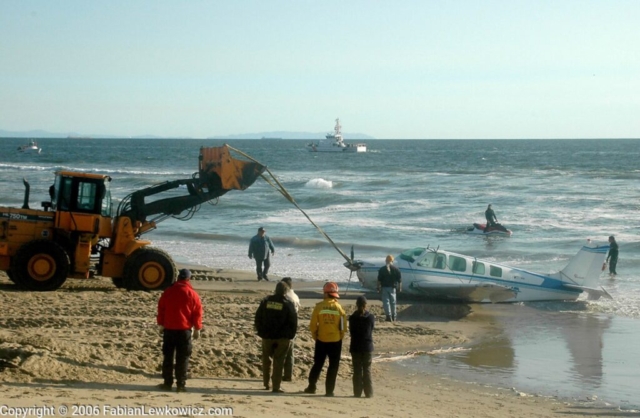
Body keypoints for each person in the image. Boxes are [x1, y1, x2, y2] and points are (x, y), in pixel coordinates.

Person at [156, 268, 203, 393]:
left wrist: (161, 324)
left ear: (178, 278)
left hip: (169, 329)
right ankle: (180, 384)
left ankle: (167, 383)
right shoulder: (192, 294)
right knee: (183, 358)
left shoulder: (168, 291)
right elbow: (197, 313)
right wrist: (197, 328)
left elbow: (161, 308)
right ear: (188, 279)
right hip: (184, 330)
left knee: (168, 357)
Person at [304, 282, 347, 397]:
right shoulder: (339, 308)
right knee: (333, 366)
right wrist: (340, 336)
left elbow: (313, 325)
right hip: (336, 341)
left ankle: (311, 386)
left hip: (321, 340)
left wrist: (315, 336)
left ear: (326, 293)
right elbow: (343, 327)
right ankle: (329, 391)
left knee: (318, 364)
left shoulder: (319, 307)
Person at [254, 281, 298, 393]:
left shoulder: (266, 301)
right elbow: (293, 321)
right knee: (279, 361)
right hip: (282, 337)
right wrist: (291, 335)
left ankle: (266, 383)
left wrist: (260, 331)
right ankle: (276, 386)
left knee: (266, 360)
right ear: (286, 291)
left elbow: (258, 317)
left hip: (267, 335)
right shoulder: (288, 303)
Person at [349, 295, 375, 398]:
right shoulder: (370, 317)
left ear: (356, 305)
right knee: (367, 370)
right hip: (367, 346)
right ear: (366, 305)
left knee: (357, 370)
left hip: (355, 346)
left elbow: (351, 331)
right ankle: (369, 393)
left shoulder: (352, 318)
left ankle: (357, 392)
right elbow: (371, 329)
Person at [281, 277, 300, 382]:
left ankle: (280, 374)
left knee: (281, 354)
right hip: (293, 327)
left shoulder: (286, 297)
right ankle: (288, 374)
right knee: (290, 353)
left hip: (285, 327)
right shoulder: (295, 296)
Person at [377, 255, 402, 322]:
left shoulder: (382, 269)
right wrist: (399, 288)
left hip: (384, 287)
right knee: (393, 302)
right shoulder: (396, 269)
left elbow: (379, 280)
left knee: (386, 302)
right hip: (393, 288)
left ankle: (388, 316)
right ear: (392, 261)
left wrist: (378, 287)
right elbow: (399, 280)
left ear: (386, 261)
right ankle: (394, 316)